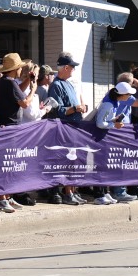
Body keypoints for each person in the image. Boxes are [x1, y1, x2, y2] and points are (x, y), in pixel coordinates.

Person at [46, 53, 89, 205]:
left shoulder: (68, 84)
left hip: (73, 127)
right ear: (65, 67)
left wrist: (81, 107)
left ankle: (72, 191)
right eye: (72, 67)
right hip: (65, 128)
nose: (73, 70)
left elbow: (71, 106)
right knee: (66, 161)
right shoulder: (56, 85)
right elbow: (58, 110)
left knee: (73, 161)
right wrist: (75, 108)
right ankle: (66, 193)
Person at [95, 81, 138, 204]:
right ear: (122, 94)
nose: (130, 96)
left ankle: (105, 193)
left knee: (105, 166)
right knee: (101, 166)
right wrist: (114, 124)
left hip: (104, 137)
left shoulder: (114, 102)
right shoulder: (109, 104)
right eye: (128, 94)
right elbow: (100, 123)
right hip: (100, 137)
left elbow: (106, 120)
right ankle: (100, 195)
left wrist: (114, 120)